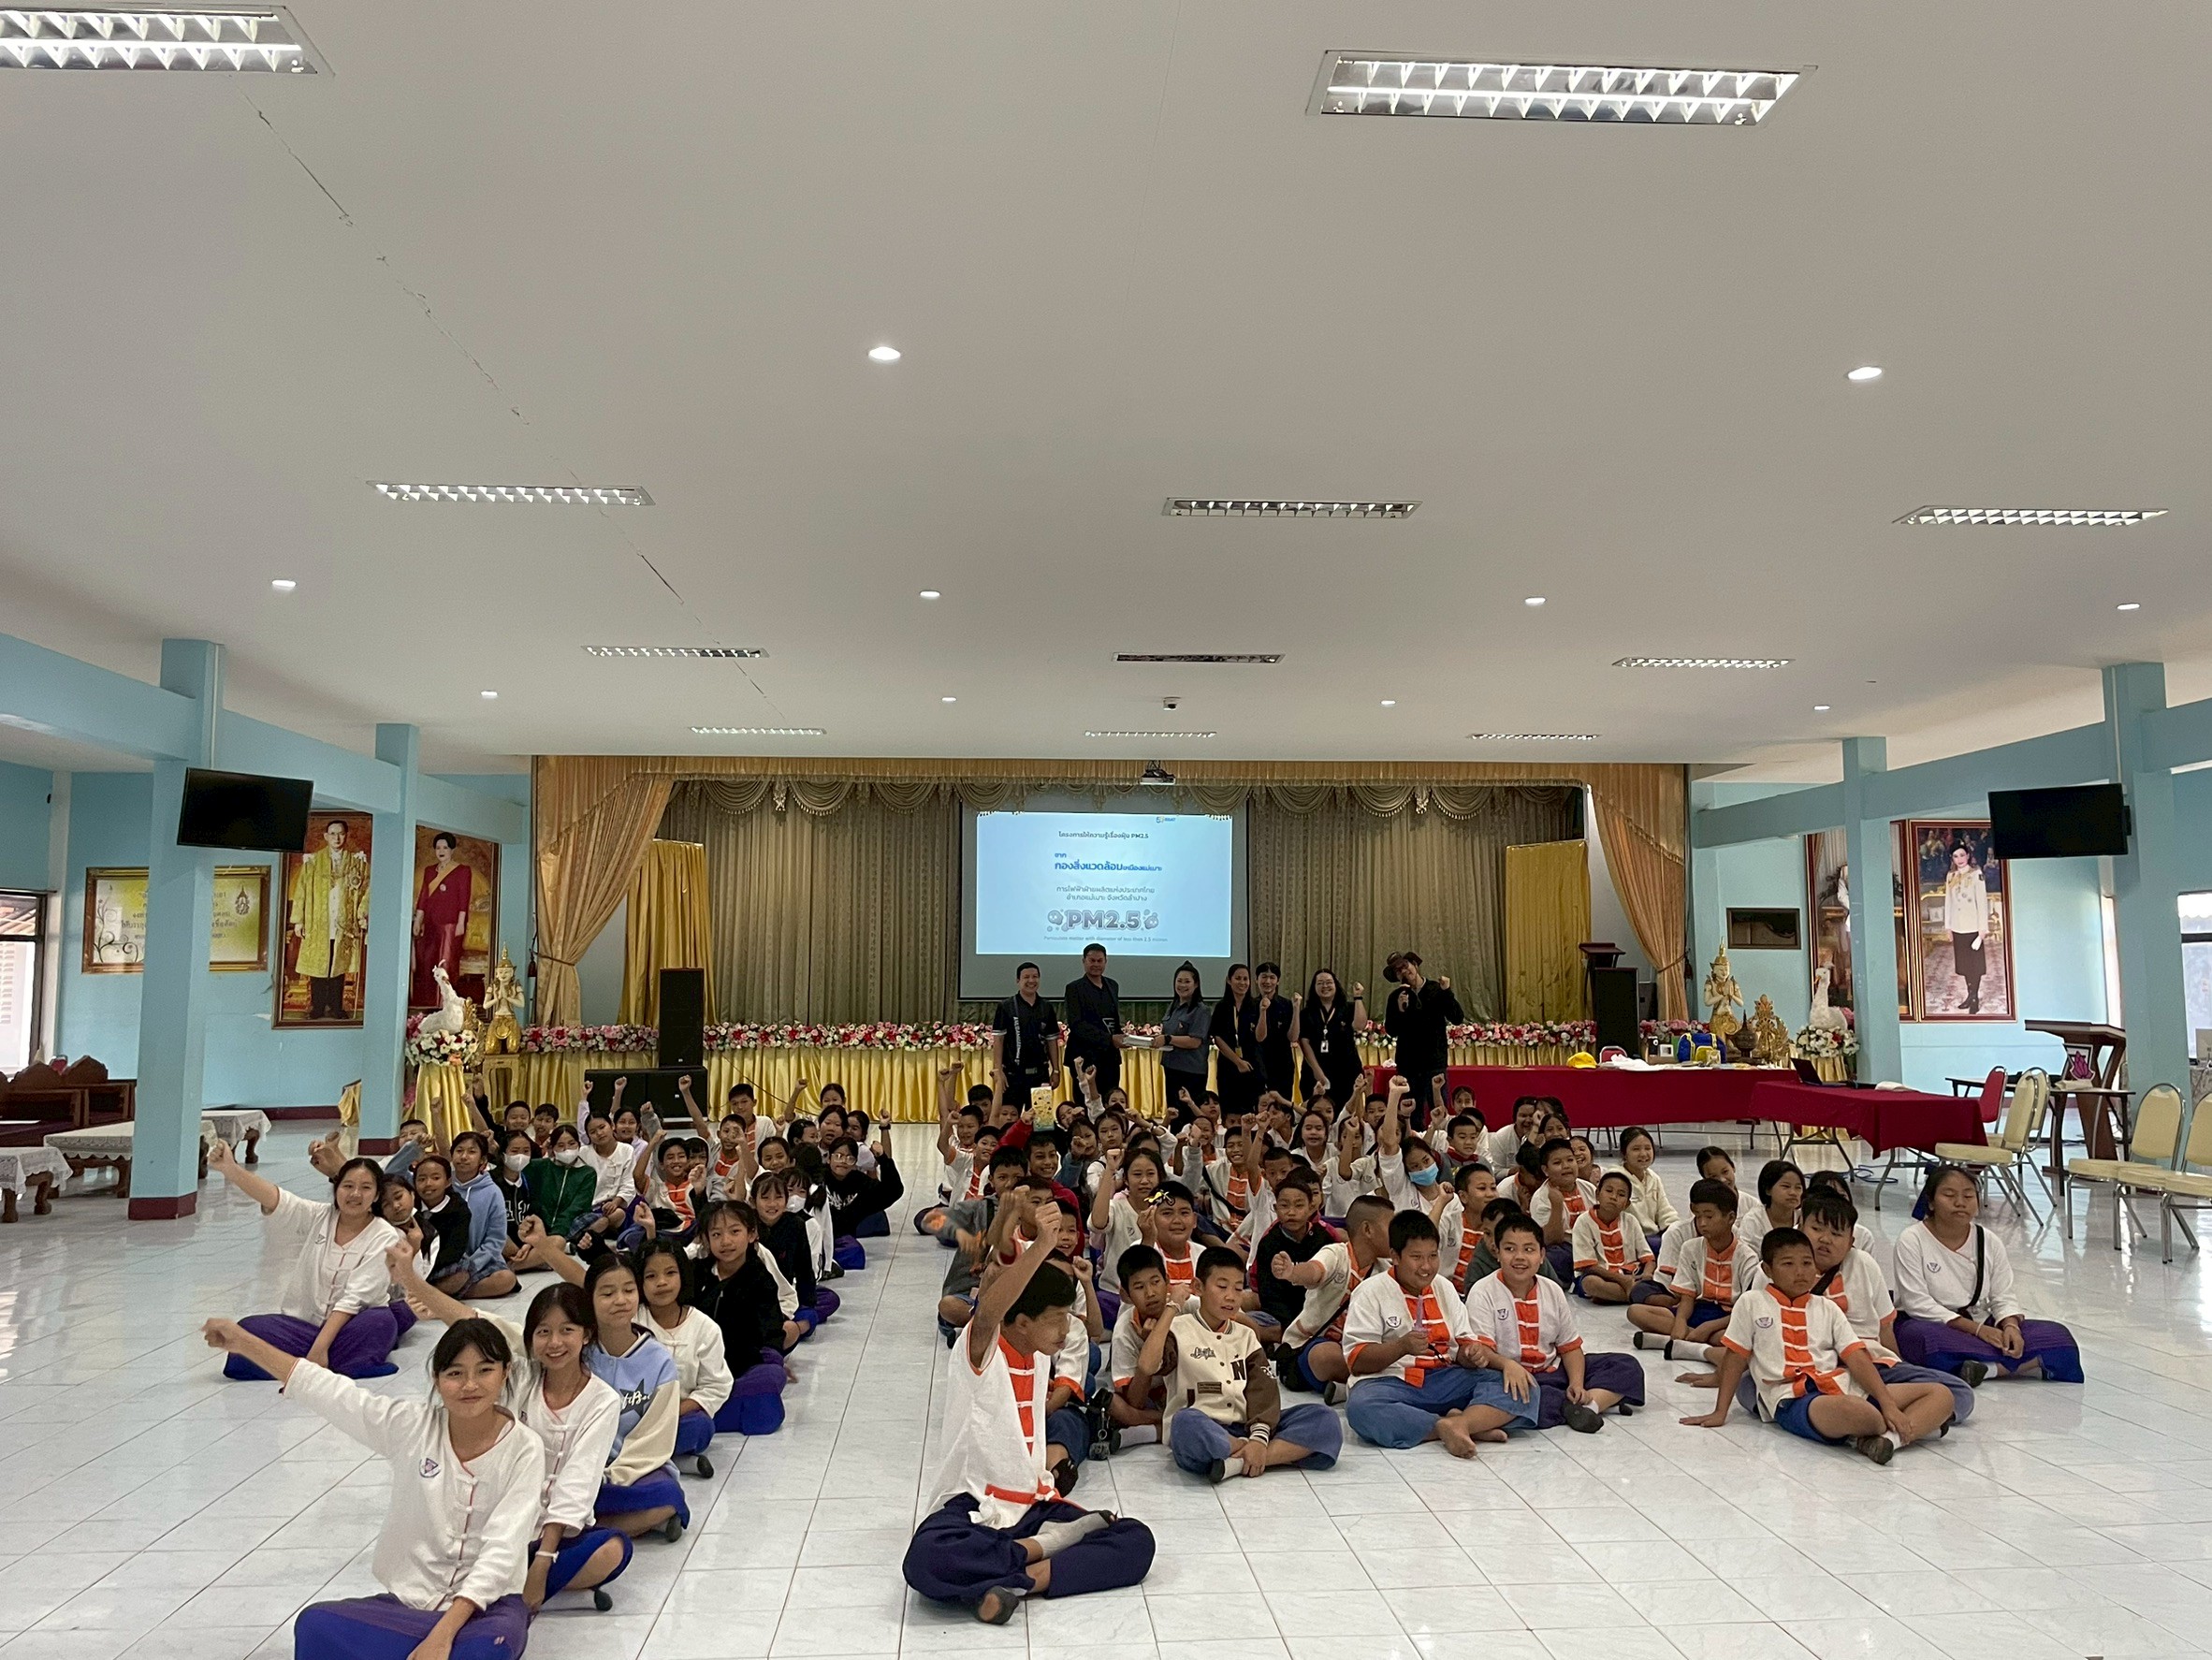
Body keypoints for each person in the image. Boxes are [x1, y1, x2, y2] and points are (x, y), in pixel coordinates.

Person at [200, 1314, 541, 1660]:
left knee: (487, 1647)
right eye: (455, 1373)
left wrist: (442, 1635)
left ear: (505, 1373)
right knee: (314, 1624)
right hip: (409, 1605)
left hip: (487, 1612)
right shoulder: (411, 1426)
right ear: (436, 1380)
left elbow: (502, 1549)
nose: (470, 1385)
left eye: (484, 1370)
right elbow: (331, 1393)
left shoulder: (525, 1448)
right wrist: (242, 1342)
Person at [902, 1215, 1157, 1623]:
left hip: (1035, 1507)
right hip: (977, 1505)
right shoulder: (980, 1351)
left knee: (1136, 1541)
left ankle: (1019, 1582)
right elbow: (989, 1312)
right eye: (1056, 1319)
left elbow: (1085, 1331)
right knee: (925, 1559)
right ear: (1022, 1322)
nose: (1065, 1329)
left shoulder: (1039, 1357)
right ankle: (1040, 1552)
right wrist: (1039, 1246)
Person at [383, 1256, 633, 1612]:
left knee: (613, 1550)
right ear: (530, 1338)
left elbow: (577, 1484)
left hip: (550, 1536)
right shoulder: (519, 1378)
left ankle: (507, 1588)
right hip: (498, 1525)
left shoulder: (602, 1400)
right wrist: (412, 1280)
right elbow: (472, 1324)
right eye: (543, 1332)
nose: (555, 1342)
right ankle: (507, 1590)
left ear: (587, 1334)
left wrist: (543, 1561)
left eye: (567, 1330)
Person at [1682, 1229, 1956, 1464]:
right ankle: (1915, 1428)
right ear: (1767, 1270)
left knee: (1941, 1394)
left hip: (1844, 1386)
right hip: (1792, 1399)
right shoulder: (1752, 1302)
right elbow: (1735, 1358)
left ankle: (1888, 1441)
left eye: (1807, 1263)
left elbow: (1856, 1357)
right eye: (1788, 1264)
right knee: (1861, 1413)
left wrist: (1888, 1403)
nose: (1800, 1272)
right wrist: (1720, 1412)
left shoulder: (1827, 1307)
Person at [1132, 1245, 1342, 1482]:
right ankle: (1250, 1453)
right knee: (1184, 1423)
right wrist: (1172, 1307)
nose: (1231, 1296)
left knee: (1324, 1419)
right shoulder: (1177, 1329)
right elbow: (1147, 1366)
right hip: (1204, 1426)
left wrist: (1259, 1439)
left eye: (1238, 1288)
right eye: (1222, 1287)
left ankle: (1241, 1461)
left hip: (1246, 1424)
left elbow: (1263, 1391)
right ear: (1198, 1287)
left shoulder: (1246, 1335)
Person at [205, 1138, 405, 1380]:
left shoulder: (384, 1234)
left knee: (380, 1322)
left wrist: (319, 1348)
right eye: (348, 1186)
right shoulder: (319, 1216)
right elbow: (275, 1198)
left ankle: (294, 1362)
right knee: (249, 1328)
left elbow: (355, 1299)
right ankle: (341, 1362)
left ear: (376, 1195)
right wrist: (231, 1168)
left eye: (365, 1188)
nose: (355, 1194)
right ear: (336, 1189)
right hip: (305, 1328)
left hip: (353, 1326)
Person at [1343, 1210, 1528, 1455]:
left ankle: (1461, 1425)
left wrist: (1472, 1354)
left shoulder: (1445, 1287)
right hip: (1393, 1381)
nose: (1426, 1267)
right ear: (1395, 1256)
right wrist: (1401, 1347)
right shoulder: (1370, 1292)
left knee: (1523, 1387)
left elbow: (1463, 1346)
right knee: (1361, 1408)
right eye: (1416, 1257)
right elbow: (1357, 1361)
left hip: (1446, 1378)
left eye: (1433, 1256)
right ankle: (1447, 1425)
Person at [1892, 1166, 2083, 1384]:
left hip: (1980, 1319)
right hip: (1934, 1324)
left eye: (1968, 1196)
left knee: (2058, 1336)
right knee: (1925, 1340)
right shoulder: (1912, 1239)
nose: (1960, 1203)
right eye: (1949, 1195)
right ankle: (2011, 1364)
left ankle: (1984, 1368)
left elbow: (2003, 1295)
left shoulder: (1988, 1240)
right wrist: (1978, 1331)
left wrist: (2010, 1327)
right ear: (1931, 1202)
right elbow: (1916, 1303)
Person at [1463, 1215, 1644, 1432]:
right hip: (1507, 1375)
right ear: (1497, 1253)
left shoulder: (1552, 1290)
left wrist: (1576, 1384)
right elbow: (1483, 1351)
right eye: (1510, 1249)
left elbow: (1570, 1347)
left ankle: (1587, 1407)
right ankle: (1586, 1404)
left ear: (1541, 1256)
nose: (1519, 1257)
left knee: (1626, 1366)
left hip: (1552, 1371)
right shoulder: (1483, 1291)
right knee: (1519, 1396)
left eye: (1529, 1250)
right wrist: (1508, 1365)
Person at [577, 1254, 689, 1540]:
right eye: (607, 1293)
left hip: (635, 1469)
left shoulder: (659, 1361)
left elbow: (654, 1439)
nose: (620, 1300)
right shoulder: (576, 1353)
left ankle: (579, 1532)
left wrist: (614, 1475)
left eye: (628, 1290)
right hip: (580, 1468)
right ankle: (629, 1524)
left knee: (667, 1495)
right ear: (590, 1299)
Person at [629, 1238, 736, 1477]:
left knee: (700, 1427)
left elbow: (715, 1386)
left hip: (678, 1417)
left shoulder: (705, 1328)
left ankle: (639, 1458)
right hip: (631, 1416)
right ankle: (671, 1461)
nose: (662, 1282)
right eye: (651, 1276)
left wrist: (671, 1412)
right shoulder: (631, 1320)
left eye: (670, 1273)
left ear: (683, 1276)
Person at [1278, 1193, 1394, 1398]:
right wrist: (1293, 1272)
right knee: (1326, 1355)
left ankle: (1346, 1388)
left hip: (1357, 1351)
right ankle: (1362, 1385)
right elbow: (1314, 1271)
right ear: (1367, 1229)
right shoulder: (1336, 1253)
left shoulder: (1385, 1270)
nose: (1397, 1235)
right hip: (1308, 1348)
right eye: (1391, 1227)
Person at [1629, 1178, 1757, 1360]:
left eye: (1709, 1216)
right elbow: (1687, 1297)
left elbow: (1744, 1310)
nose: (1702, 1223)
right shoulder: (1691, 1248)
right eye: (1698, 1216)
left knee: (1737, 1337)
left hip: (1727, 1318)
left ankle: (1675, 1343)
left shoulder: (1747, 1257)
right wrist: (1680, 1322)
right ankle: (1690, 1340)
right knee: (1636, 1312)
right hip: (1697, 1310)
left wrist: (1708, 1327)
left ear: (1730, 1218)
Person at [288, 815, 369, 1023]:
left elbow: (366, 890)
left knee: (338, 965)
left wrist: (362, 915)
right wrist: (299, 920)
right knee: (319, 965)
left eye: (340, 834)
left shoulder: (356, 862)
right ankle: (317, 1006)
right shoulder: (313, 862)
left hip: (343, 922)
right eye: (332, 834)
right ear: (326, 836)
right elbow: (301, 891)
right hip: (318, 921)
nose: (337, 838)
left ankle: (336, 1007)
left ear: (346, 835)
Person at [1383, 952, 1463, 1117]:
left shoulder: (1437, 989)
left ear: (1414, 965)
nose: (1404, 972)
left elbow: (1457, 1018)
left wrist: (1447, 991)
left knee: (1439, 1111)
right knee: (1412, 1114)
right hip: (1408, 1065)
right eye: (1398, 971)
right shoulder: (1395, 997)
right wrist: (1400, 1010)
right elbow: (1391, 1031)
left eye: (1405, 966)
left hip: (1435, 1063)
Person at [442, 1132, 519, 1300]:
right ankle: (447, 1289)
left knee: (506, 1279)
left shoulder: (493, 1192)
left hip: (480, 1261)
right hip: (445, 1259)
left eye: (471, 1152)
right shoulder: (442, 1185)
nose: (464, 1157)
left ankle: (444, 1292)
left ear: (483, 1160)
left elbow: (496, 1240)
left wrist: (470, 1266)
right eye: (459, 1151)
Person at [411, 831, 475, 1010]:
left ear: (452, 850)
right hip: (431, 923)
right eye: (438, 847)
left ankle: (445, 1005)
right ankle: (430, 1004)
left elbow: (464, 899)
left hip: (451, 924)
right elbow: (423, 898)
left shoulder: (462, 871)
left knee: (445, 963)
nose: (441, 851)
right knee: (427, 962)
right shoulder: (429, 871)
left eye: (445, 847)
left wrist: (461, 923)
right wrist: (418, 921)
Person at [1570, 1172, 1652, 1303]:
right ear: (1597, 1194)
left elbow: (1648, 1258)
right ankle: (1641, 1295)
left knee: (1659, 1275)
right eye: (1609, 1191)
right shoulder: (1583, 1222)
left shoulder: (1631, 1221)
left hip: (1631, 1273)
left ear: (1627, 1204)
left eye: (1621, 1195)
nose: (1613, 1197)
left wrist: (1647, 1275)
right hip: (1600, 1275)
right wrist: (1622, 1281)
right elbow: (1587, 1266)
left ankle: (1614, 1296)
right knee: (1590, 1283)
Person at [992, 961, 1061, 1108]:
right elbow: (998, 1040)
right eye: (1026, 977)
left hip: (1040, 1075)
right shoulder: (1006, 1006)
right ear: (1018, 980)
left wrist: (1056, 1070)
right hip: (1012, 1075)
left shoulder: (1046, 1007)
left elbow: (1052, 1041)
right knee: (1009, 1117)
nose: (1031, 981)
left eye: (1035, 977)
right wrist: (998, 1071)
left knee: (1041, 1118)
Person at [1062, 944, 1125, 1100]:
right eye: (1092, 960)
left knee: (1110, 1102)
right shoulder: (1074, 988)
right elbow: (1077, 1025)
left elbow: (1113, 1020)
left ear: (1106, 961)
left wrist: (1123, 1038)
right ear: (1084, 961)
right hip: (1085, 1058)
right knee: (1086, 1103)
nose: (1096, 964)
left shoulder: (1112, 985)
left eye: (1100, 960)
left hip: (1110, 1058)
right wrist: (1110, 1039)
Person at [1299, 968, 1366, 1110]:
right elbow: (1304, 1043)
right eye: (1320, 983)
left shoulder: (1348, 1007)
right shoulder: (1307, 1013)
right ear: (1314, 987)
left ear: (1336, 985)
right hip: (1315, 1069)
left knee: (1345, 1112)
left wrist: (1358, 997)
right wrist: (1317, 1071)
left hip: (1346, 1070)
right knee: (1316, 1111)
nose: (1325, 986)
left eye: (1329, 982)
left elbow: (1360, 1025)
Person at [524, 1124, 597, 1246]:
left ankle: (563, 1244)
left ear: (579, 1145)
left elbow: (577, 1208)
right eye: (560, 1145)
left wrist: (557, 1232)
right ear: (552, 1148)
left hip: (570, 1226)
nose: (567, 1149)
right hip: (539, 1226)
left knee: (597, 1222)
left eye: (572, 1144)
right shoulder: (540, 1167)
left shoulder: (588, 1173)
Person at [1157, 962, 1214, 1120]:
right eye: (1179, 981)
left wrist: (1168, 1039)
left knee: (1189, 1117)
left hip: (1191, 1071)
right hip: (1171, 1068)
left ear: (1196, 985)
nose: (1182, 985)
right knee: (1174, 1115)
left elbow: (1195, 1041)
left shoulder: (1201, 1010)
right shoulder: (1173, 1006)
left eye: (1187, 981)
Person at [1943, 840, 1992, 1013]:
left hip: (1973, 927)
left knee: (1975, 965)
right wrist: (1948, 927)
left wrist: (1982, 931)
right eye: (1956, 856)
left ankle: (1974, 997)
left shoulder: (1976, 874)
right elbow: (1948, 902)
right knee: (1964, 965)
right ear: (1952, 859)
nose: (1960, 859)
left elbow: (1982, 903)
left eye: (1962, 855)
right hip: (1958, 927)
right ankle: (1970, 995)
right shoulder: (1951, 876)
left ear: (1968, 856)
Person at [1209, 964, 1261, 1119]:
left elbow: (1260, 1036)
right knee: (1230, 1110)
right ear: (1229, 980)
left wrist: (1264, 1012)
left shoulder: (1255, 1006)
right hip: (1228, 1065)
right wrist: (1238, 1062)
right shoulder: (1222, 1007)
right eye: (1238, 978)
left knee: (1251, 1112)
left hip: (1252, 1064)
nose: (1242, 982)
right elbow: (1217, 1037)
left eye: (1245, 979)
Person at [1618, 1127, 1677, 1249]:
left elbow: (1665, 1210)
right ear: (1624, 1153)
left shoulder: (1653, 1178)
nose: (1643, 1154)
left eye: (1648, 1148)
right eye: (1636, 1149)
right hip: (1630, 1239)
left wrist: (1675, 1229)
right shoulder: (1616, 1179)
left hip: (1655, 1236)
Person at [1249, 963, 1298, 1099]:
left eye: (1272, 977)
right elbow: (1260, 1037)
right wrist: (1263, 1011)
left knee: (1283, 1105)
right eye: (1264, 977)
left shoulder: (1287, 1004)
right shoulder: (1250, 1005)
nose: (1268, 981)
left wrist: (1296, 1010)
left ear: (1278, 981)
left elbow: (1293, 1037)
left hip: (1283, 1064)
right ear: (1256, 979)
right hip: (1258, 1063)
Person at [1739, 1158, 1806, 1255]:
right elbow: (1747, 1257)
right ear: (1768, 1190)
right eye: (1786, 1186)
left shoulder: (1805, 1216)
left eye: (1798, 1188)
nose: (1793, 1193)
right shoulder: (1753, 1221)